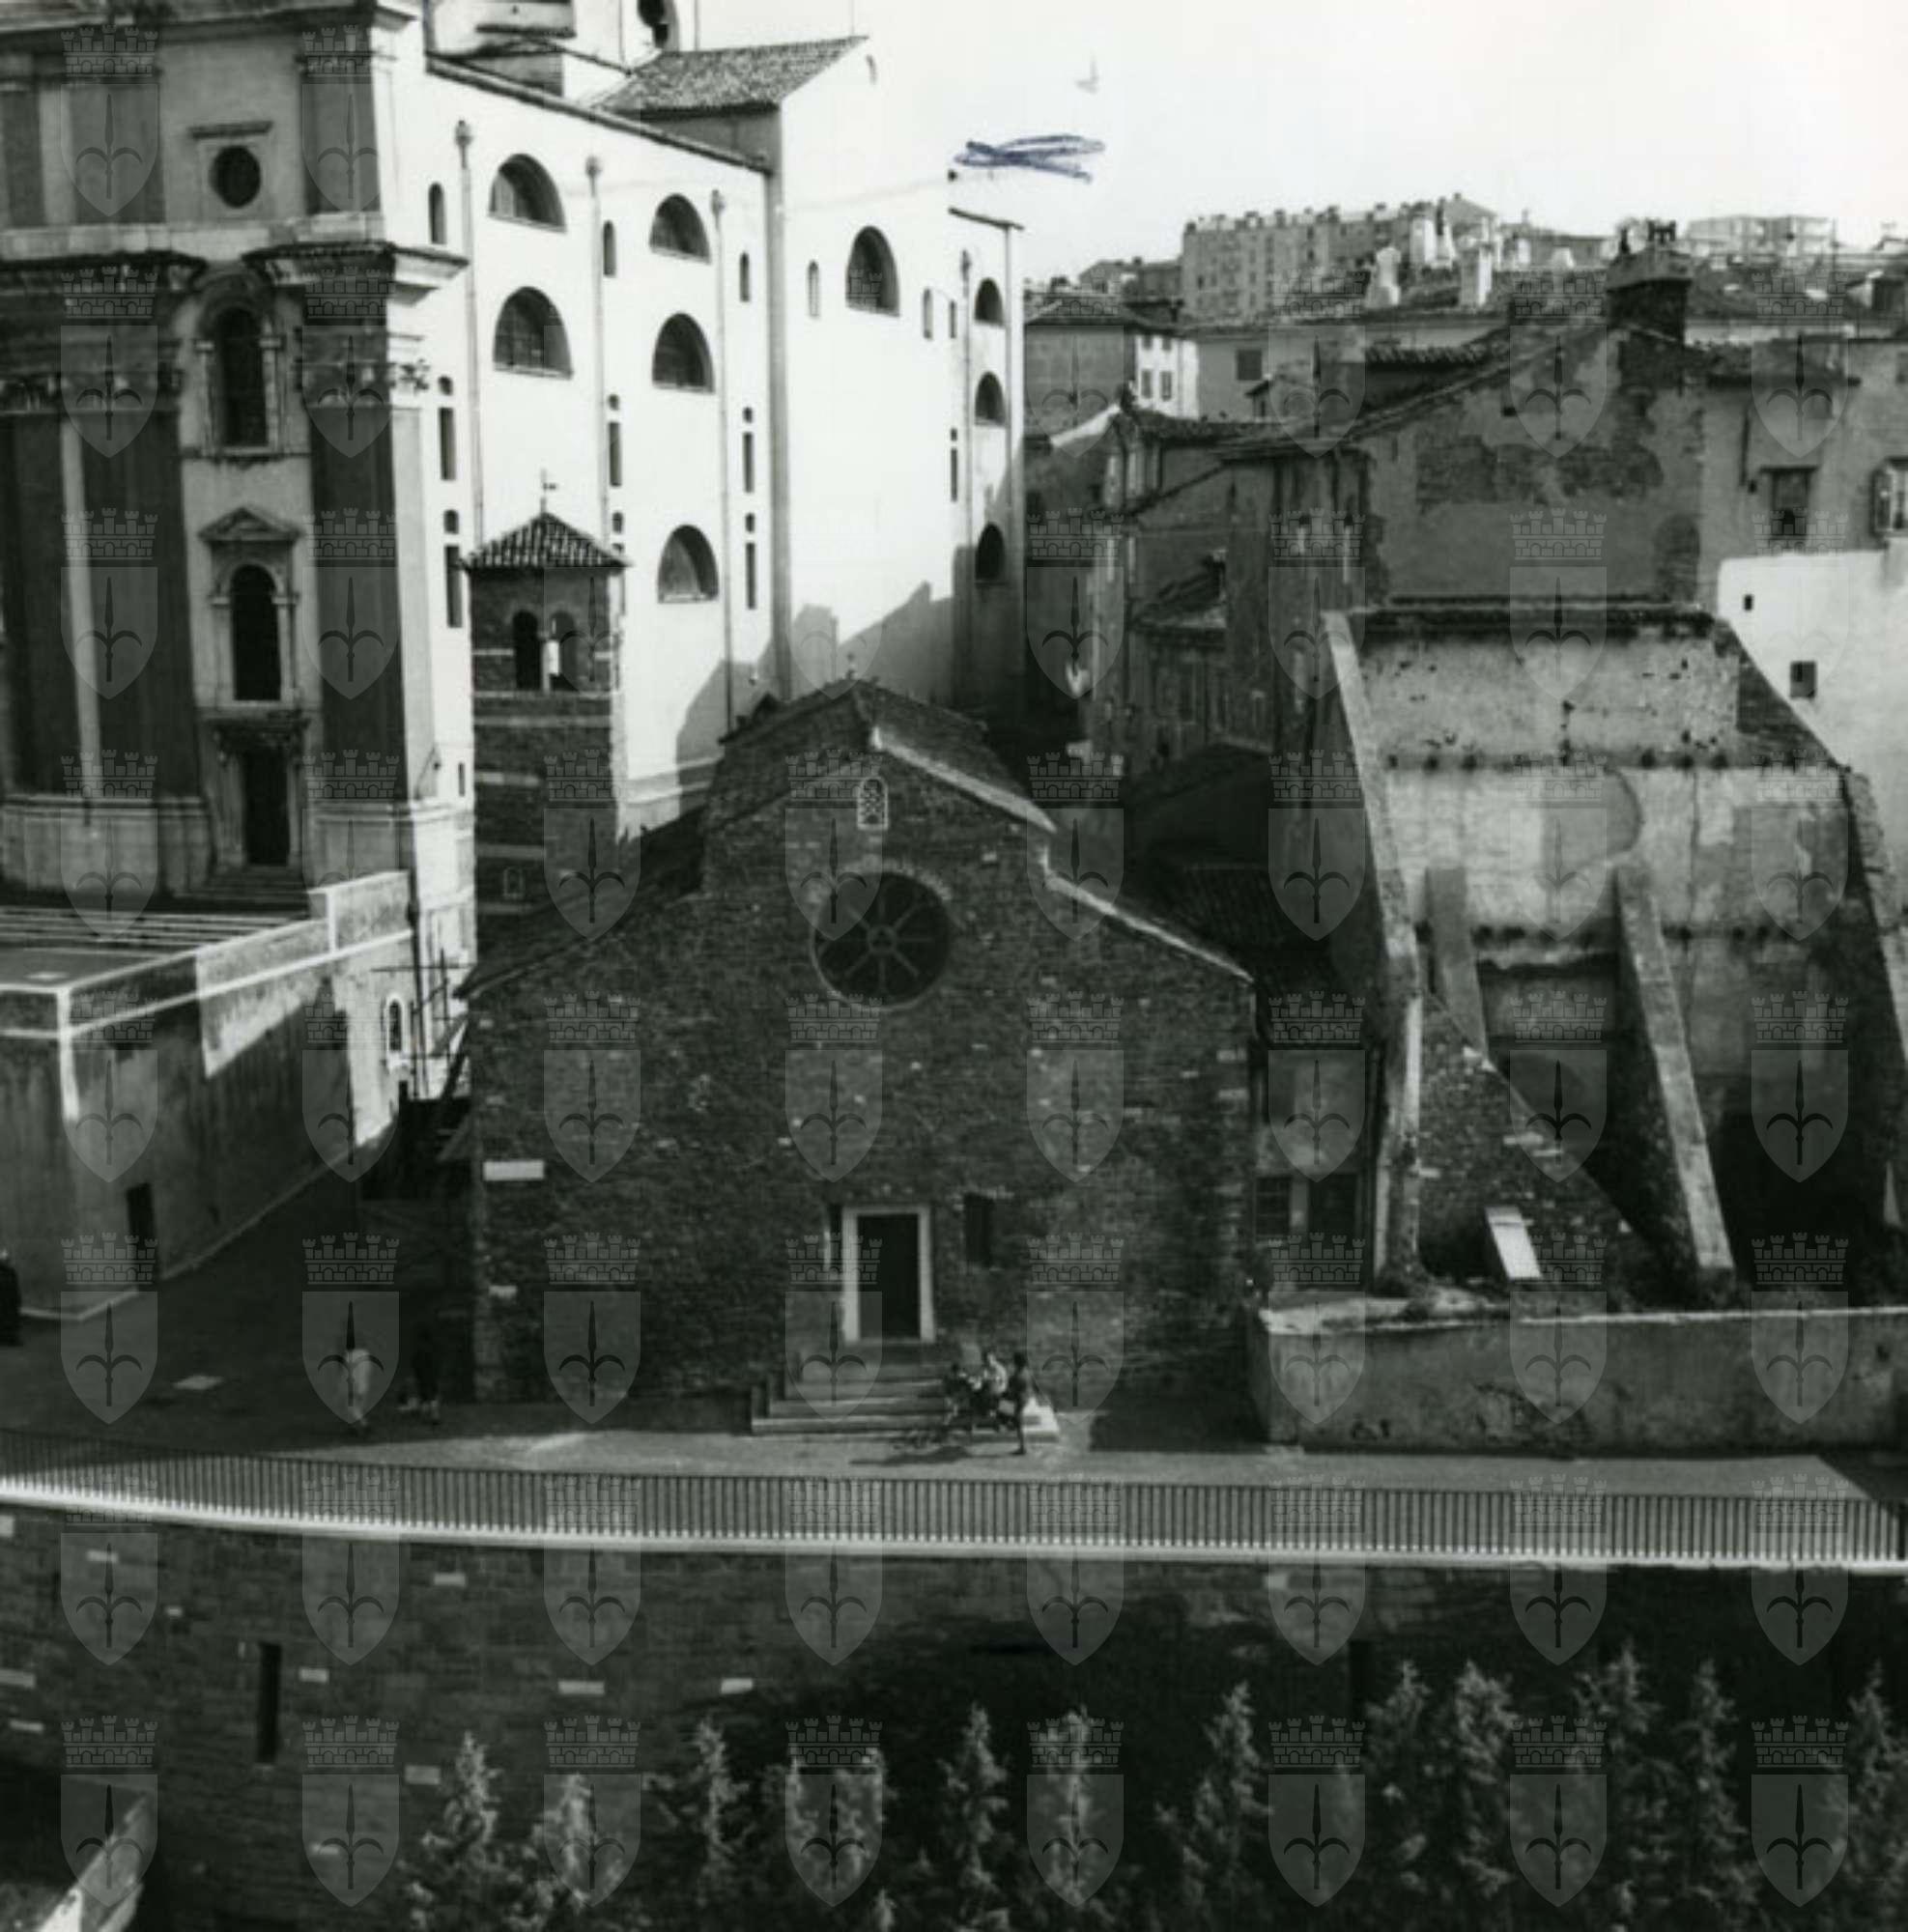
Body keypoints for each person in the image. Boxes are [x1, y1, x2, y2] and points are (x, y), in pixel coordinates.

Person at [1007, 1350, 1042, 1456]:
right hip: (1026, 1397)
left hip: (1019, 1399)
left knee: (1019, 1423)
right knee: (1017, 1421)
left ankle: (1023, 1447)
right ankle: (1022, 1445)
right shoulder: (1027, 1371)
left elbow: (1012, 1388)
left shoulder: (1018, 1375)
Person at [0, 1247, 18, 1347]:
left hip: (9, 1300)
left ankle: (10, 1338)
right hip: (3, 1301)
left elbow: (15, 1287)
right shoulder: (10, 1272)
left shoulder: (11, 1272)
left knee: (9, 1319)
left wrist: (17, 1300)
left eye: (6, 1260)